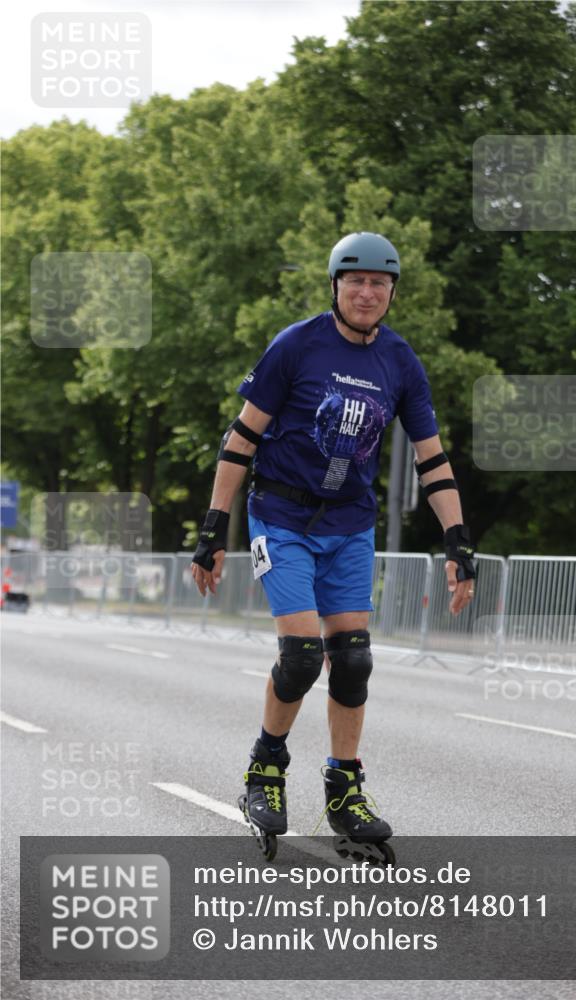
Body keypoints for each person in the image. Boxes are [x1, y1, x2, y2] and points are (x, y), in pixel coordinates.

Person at [191, 232, 475, 854]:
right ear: (335, 286)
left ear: (392, 291)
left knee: (352, 660)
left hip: (350, 524)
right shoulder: (297, 345)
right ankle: (265, 770)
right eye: (356, 281)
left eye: (379, 283)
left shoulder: (400, 362)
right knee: (301, 657)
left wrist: (457, 542)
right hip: (282, 516)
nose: (367, 293)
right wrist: (213, 527)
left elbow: (432, 460)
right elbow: (241, 439)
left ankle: (344, 789)